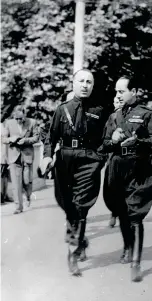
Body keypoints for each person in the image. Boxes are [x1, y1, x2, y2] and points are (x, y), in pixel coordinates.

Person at [39, 69, 107, 276]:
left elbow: (105, 138)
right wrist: (48, 156)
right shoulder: (62, 109)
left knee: (81, 203)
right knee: (69, 204)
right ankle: (79, 239)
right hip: (65, 159)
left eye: (89, 82)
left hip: (88, 160)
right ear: (74, 83)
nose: (85, 85)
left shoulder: (99, 110)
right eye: (81, 81)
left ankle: (73, 251)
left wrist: (99, 158)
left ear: (92, 86)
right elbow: (50, 137)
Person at [102, 75, 152, 282]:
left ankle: (136, 262)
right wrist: (113, 140)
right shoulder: (114, 116)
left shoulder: (147, 114)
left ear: (134, 91)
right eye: (116, 92)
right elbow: (104, 144)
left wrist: (138, 141)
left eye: (121, 91)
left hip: (138, 167)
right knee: (121, 211)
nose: (117, 95)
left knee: (135, 214)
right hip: (117, 167)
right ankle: (128, 246)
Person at [2, 105, 39, 213]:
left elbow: (37, 138)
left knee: (27, 181)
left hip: (27, 155)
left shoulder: (32, 122)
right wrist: (10, 139)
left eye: (20, 118)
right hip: (14, 157)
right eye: (16, 118)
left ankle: (28, 197)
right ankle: (18, 207)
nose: (18, 120)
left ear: (25, 115)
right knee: (15, 183)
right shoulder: (8, 123)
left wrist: (26, 141)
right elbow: (3, 139)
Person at [106, 97, 122, 228]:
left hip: (130, 156)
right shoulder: (112, 117)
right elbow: (107, 136)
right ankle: (114, 213)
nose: (119, 104)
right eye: (116, 102)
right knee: (112, 187)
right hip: (114, 156)